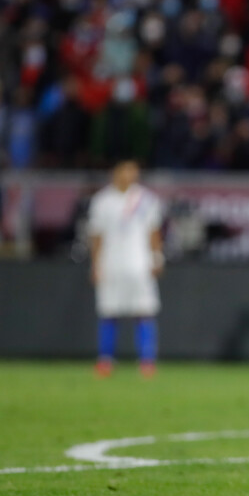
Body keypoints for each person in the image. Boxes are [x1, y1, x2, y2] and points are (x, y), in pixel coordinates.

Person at [88, 160, 163, 377]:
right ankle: (105, 361)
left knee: (144, 311)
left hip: (140, 264)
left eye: (134, 170)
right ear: (115, 171)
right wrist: (95, 264)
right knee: (108, 311)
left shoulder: (147, 199)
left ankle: (147, 362)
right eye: (126, 170)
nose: (130, 175)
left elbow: (154, 232)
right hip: (111, 264)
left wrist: (157, 258)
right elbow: (96, 235)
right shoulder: (101, 201)